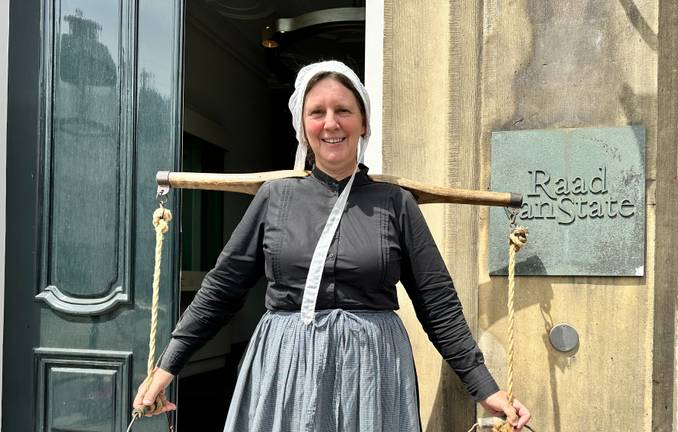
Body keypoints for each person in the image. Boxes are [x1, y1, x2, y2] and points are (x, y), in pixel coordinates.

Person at [133, 60, 531, 431]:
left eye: (343, 110)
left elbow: (437, 303)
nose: (330, 124)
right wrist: (168, 366)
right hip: (287, 365)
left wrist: (484, 387)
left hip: (373, 369)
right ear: (302, 125)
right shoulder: (275, 198)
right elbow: (221, 290)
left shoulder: (395, 204)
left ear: (363, 123)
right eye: (317, 112)